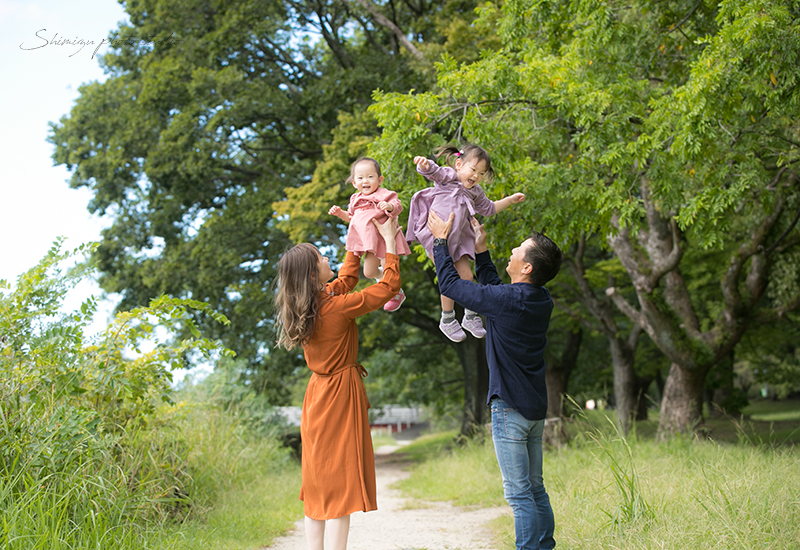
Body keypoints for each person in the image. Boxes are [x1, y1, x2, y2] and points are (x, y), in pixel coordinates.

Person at [426, 209, 563, 550]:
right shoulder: (539, 299)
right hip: (533, 410)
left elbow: (453, 286)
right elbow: (494, 291)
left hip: (510, 411)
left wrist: (441, 242)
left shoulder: (509, 301)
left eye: (519, 249)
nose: (514, 251)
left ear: (527, 267)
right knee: (534, 488)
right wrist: (482, 251)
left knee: (518, 495)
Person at [274, 216, 402, 550]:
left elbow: (347, 275)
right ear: (314, 274)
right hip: (339, 396)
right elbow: (387, 288)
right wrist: (390, 243)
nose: (327, 259)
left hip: (316, 396)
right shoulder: (337, 308)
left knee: (317, 483)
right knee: (339, 485)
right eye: (321, 257)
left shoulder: (310, 306)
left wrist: (357, 235)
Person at [406, 144, 525, 342]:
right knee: (449, 278)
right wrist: (425, 165)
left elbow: (489, 208)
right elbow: (433, 172)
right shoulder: (449, 178)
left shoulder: (475, 192)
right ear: (459, 164)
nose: (476, 176)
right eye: (473, 169)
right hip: (437, 239)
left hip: (459, 241)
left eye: (481, 173)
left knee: (468, 275)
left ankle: (470, 316)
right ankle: (447, 318)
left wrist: (510, 201)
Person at [329, 157, 411, 312]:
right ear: (354, 183)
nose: (365, 181)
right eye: (360, 178)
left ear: (380, 180)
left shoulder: (385, 194)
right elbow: (353, 219)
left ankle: (394, 292)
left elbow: (398, 206)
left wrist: (389, 206)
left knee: (387, 266)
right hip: (370, 242)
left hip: (385, 238)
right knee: (368, 272)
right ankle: (389, 285)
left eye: (370, 177)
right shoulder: (355, 199)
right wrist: (340, 213)